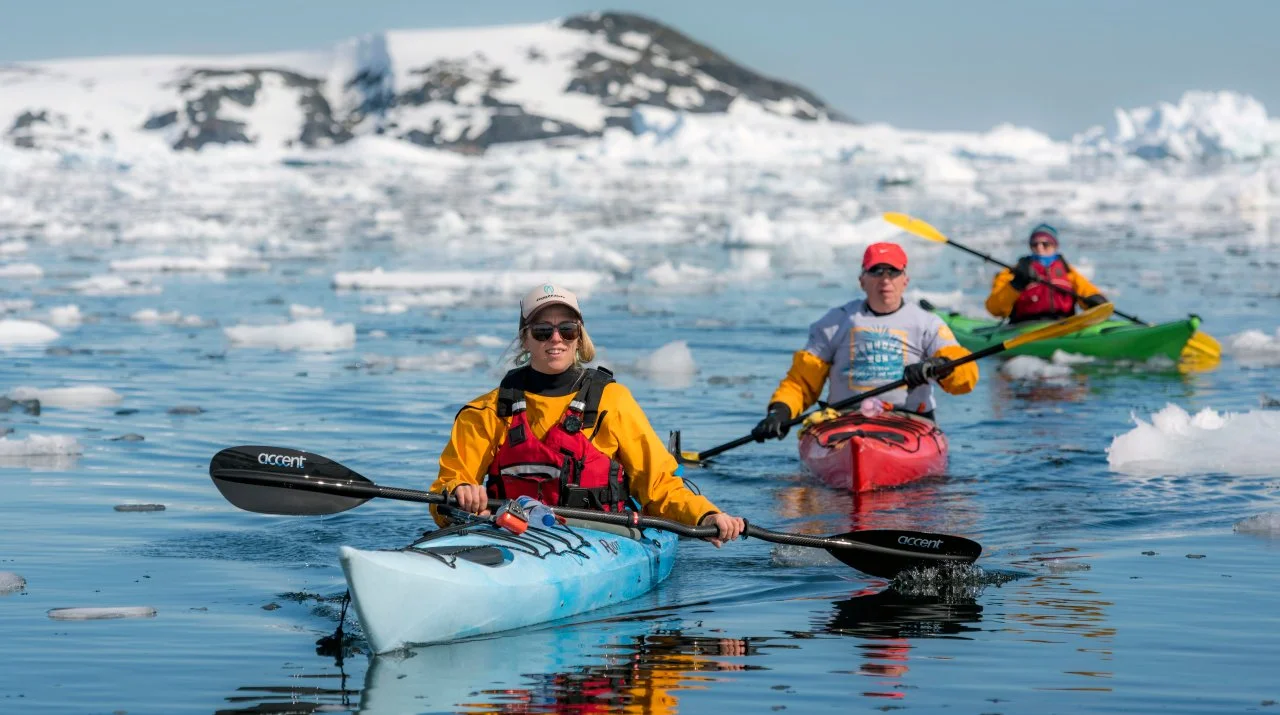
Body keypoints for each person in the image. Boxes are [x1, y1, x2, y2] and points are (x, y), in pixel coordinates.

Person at [430, 283, 746, 547]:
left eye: (567, 329)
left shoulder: (613, 401)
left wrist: (705, 516)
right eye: (542, 331)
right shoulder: (485, 412)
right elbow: (445, 489)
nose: (556, 339)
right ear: (525, 339)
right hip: (515, 537)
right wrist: (459, 493)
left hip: (602, 538)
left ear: (578, 337)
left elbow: (660, 485)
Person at [751, 242, 979, 442]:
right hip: (843, 423)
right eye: (876, 271)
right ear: (862, 281)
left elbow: (965, 376)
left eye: (893, 272)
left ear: (905, 281)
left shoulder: (928, 324)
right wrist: (780, 412)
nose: (885, 280)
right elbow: (801, 383)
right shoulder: (834, 322)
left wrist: (938, 367)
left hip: (910, 423)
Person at [985, 223, 1108, 323]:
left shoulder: (1067, 271)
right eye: (1035, 244)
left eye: (1045, 244)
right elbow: (994, 308)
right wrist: (1016, 284)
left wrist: (1096, 300)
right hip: (1024, 326)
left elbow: (1087, 291)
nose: (1039, 247)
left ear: (1055, 246)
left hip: (1063, 325)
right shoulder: (1014, 272)